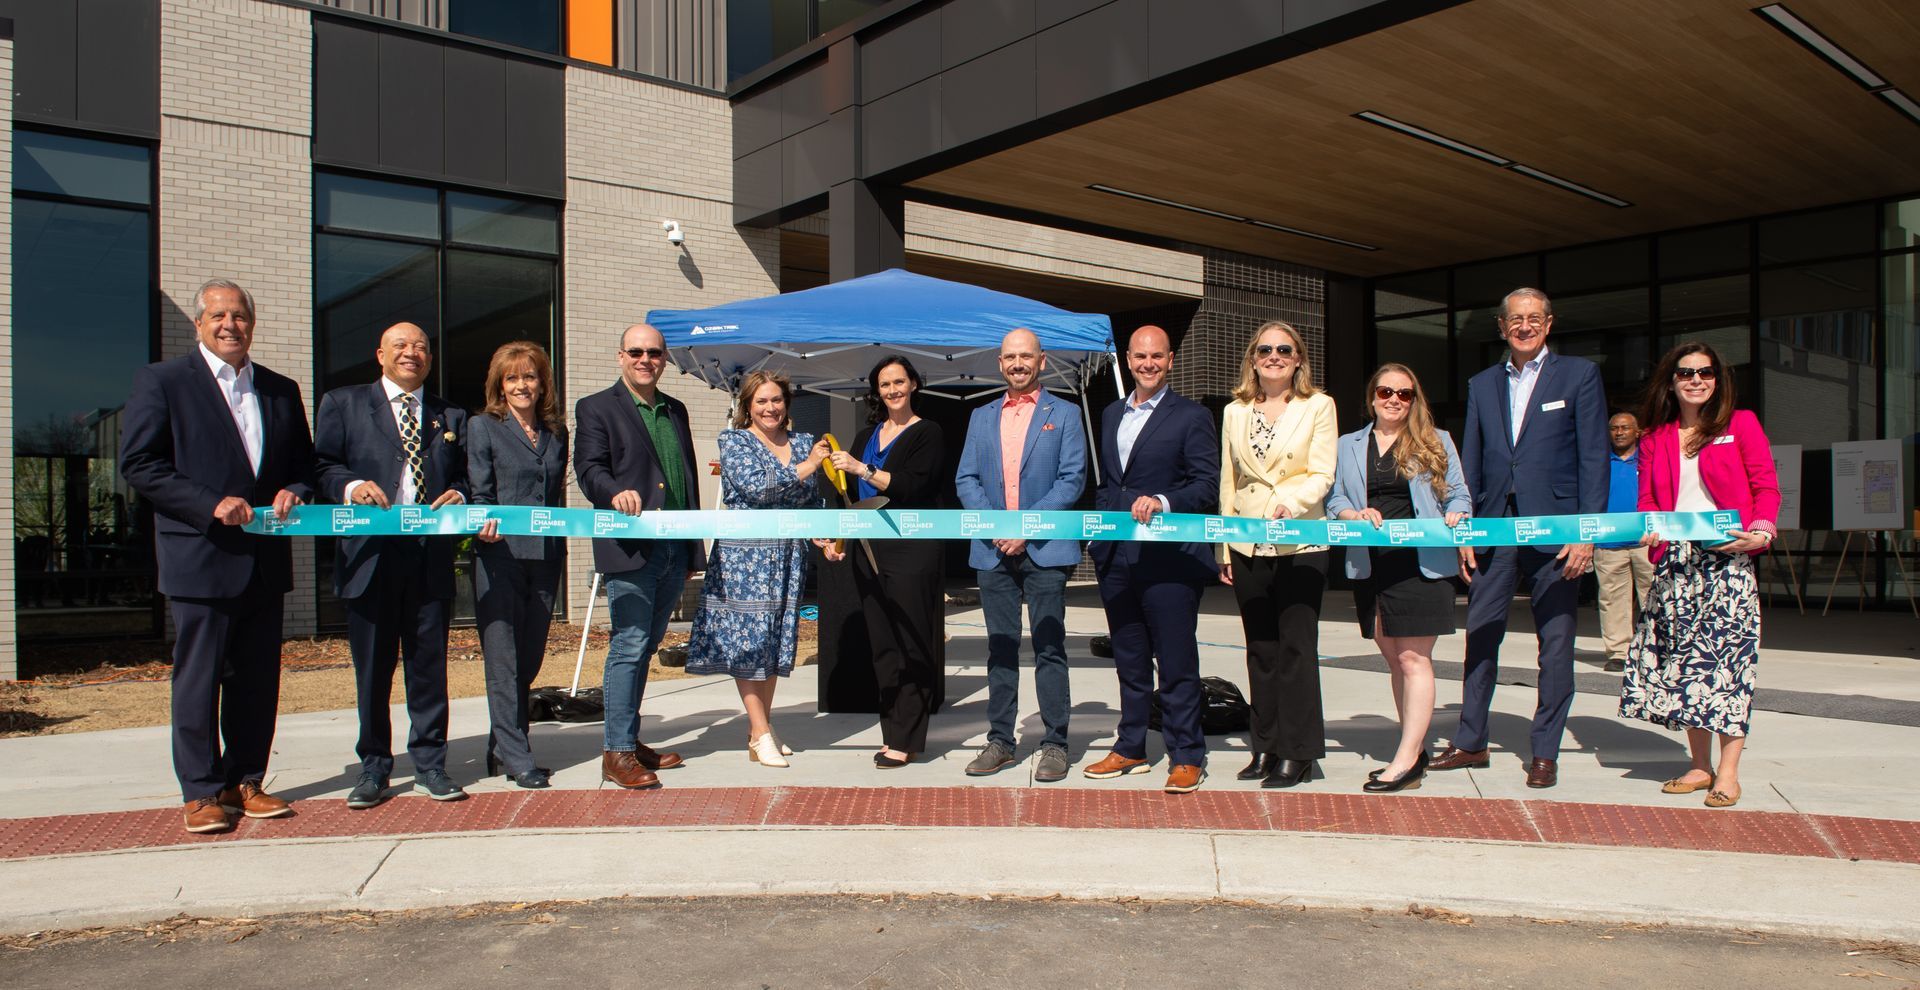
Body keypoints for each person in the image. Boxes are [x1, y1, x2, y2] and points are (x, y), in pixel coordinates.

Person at [119, 278, 314, 833]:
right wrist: (209, 504)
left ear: (252, 324)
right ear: (200, 324)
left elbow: (302, 465)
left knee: (257, 681)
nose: (231, 325)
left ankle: (244, 781)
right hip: (200, 557)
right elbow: (140, 464)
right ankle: (201, 791)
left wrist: (295, 492)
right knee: (199, 680)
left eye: (241, 316)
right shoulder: (164, 381)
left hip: (264, 561)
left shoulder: (280, 389)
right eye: (219, 316)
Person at [1447, 287, 1608, 789]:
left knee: (1556, 645)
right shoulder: (1482, 383)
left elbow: (1593, 458)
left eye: (1533, 318)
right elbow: (1470, 460)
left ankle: (1545, 751)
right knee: (1481, 635)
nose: (1524, 326)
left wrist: (1586, 532)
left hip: (1557, 532)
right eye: (1515, 319)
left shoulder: (1580, 375)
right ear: (1501, 327)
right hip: (1494, 527)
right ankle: (1471, 741)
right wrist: (1466, 529)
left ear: (1549, 323)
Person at [315, 321, 470, 808]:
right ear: (379, 353)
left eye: (421, 346)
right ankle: (374, 768)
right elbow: (321, 466)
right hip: (370, 557)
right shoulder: (343, 403)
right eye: (401, 345)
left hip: (429, 559)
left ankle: (430, 764)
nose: (412, 353)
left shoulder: (451, 414)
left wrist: (462, 494)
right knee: (373, 671)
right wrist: (349, 487)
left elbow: (468, 472)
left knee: (428, 670)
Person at [1621, 342, 1779, 809]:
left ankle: (1728, 772)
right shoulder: (1655, 437)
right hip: (1676, 563)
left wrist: (1762, 531)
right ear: (1672, 380)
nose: (1696, 380)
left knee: (1729, 666)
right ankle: (1699, 765)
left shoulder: (1740, 424)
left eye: (1705, 373)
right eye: (1686, 373)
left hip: (1728, 560)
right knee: (1688, 663)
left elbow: (1765, 486)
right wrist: (1649, 528)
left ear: (1717, 379)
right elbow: (1648, 499)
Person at [1082, 326, 1220, 794]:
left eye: (1156, 356)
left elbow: (1206, 485)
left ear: (1171, 359)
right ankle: (1131, 747)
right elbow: (1109, 484)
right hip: (1117, 556)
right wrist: (1099, 535)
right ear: (1128, 358)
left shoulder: (1192, 416)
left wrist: (1162, 500)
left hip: (1169, 557)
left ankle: (1187, 755)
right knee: (1130, 660)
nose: (1148, 364)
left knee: (1176, 660)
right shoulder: (1110, 414)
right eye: (1140, 356)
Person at [1324, 364, 1470, 793]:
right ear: (1372, 397)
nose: (1394, 400)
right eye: (1386, 391)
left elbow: (1459, 492)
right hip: (1371, 563)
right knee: (1393, 659)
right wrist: (1353, 513)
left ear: (1414, 400)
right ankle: (1415, 745)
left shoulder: (1435, 440)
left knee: (1413, 659)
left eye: (1404, 394)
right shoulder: (1348, 444)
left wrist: (1458, 510)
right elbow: (1334, 497)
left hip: (1421, 565)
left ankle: (1407, 760)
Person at [953, 328, 1088, 781]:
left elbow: (1071, 480)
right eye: (1010, 357)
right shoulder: (980, 416)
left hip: (1045, 550)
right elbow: (966, 479)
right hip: (993, 551)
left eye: (1025, 357)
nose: (1017, 364)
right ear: (1000, 363)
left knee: (1049, 647)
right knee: (1001, 648)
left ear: (1042, 361)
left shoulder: (1065, 414)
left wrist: (1024, 528)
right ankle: (1001, 741)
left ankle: (1055, 743)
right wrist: (998, 527)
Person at [686, 372, 840, 766]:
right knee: (750, 643)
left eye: (776, 400)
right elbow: (758, 488)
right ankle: (759, 731)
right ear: (747, 407)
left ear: (787, 404)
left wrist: (822, 537)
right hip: (744, 558)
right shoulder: (734, 441)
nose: (770, 408)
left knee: (772, 643)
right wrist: (808, 466)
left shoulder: (804, 442)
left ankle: (762, 730)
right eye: (761, 401)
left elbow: (809, 503)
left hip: (788, 554)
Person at [575, 323, 703, 789]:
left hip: (673, 545)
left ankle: (629, 740)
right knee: (628, 645)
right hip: (628, 545)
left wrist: (693, 546)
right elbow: (588, 469)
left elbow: (686, 480)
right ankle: (617, 753)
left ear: (664, 359)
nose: (645, 359)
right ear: (620, 356)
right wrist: (614, 494)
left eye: (654, 352)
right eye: (636, 351)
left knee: (646, 648)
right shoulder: (595, 408)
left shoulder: (677, 410)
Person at [1217, 320, 1337, 788]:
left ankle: (1299, 751)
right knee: (1260, 650)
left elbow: (1323, 472)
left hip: (1300, 539)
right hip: (1247, 541)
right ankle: (1265, 746)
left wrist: (1294, 503)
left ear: (1298, 359)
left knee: (1296, 650)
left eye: (1285, 350)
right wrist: (1224, 547)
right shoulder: (1234, 412)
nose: (1274, 356)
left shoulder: (1318, 406)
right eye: (1265, 349)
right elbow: (1229, 481)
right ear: (1252, 358)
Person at [828, 356, 947, 769]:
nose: (893, 390)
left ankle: (908, 737)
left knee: (912, 640)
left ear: (914, 384)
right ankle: (892, 732)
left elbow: (914, 486)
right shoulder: (866, 434)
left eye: (900, 381)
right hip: (868, 550)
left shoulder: (928, 433)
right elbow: (853, 498)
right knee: (883, 647)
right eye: (885, 384)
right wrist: (839, 539)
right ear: (876, 391)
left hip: (912, 551)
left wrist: (862, 467)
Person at [467, 341, 568, 790]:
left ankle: (499, 745)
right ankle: (517, 756)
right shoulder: (483, 427)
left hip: (545, 557)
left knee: (528, 659)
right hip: (499, 555)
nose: (522, 385)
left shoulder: (555, 432)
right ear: (499, 385)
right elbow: (481, 491)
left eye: (529, 376)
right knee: (503, 660)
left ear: (542, 382)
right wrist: (481, 524)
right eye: (512, 378)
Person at [1595, 410, 1653, 673]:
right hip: (1609, 541)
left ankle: (1656, 647)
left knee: (1654, 597)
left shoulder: (1649, 458)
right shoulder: (1599, 462)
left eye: (1625, 427)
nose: (1619, 432)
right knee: (1612, 599)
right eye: (1614, 428)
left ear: (1637, 432)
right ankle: (1618, 652)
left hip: (1646, 541)